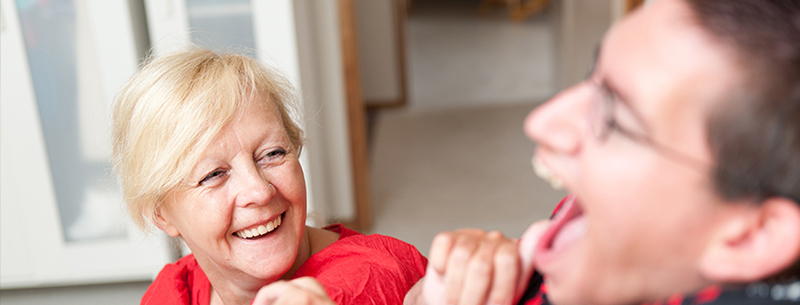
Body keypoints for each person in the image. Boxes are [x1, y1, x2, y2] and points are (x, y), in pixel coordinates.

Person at [406, 0, 800, 304]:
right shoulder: (589, 235)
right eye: (592, 80)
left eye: (614, 118)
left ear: (750, 237)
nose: (540, 122)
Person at [111, 49, 427, 305]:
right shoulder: (173, 292)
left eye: (272, 154)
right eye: (214, 174)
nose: (260, 192)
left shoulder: (376, 279)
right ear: (161, 215)